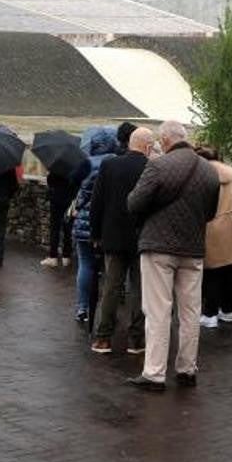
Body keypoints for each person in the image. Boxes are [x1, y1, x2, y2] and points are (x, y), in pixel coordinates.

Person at [125, 120, 220, 392]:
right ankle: (187, 369)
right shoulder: (209, 172)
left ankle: (154, 374)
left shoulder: (157, 166)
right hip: (193, 249)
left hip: (159, 247)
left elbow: (134, 203)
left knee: (158, 311)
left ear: (165, 141)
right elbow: (210, 214)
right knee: (191, 311)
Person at [89, 127, 154, 354]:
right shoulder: (152, 168)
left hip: (114, 236)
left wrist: (96, 234)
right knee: (139, 289)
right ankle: (136, 341)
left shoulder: (110, 165)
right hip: (143, 237)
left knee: (111, 287)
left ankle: (103, 338)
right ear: (148, 146)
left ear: (129, 144)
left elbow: (97, 202)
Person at [71, 128, 120, 322]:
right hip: (108, 223)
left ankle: (82, 307)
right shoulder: (116, 163)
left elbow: (73, 182)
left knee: (85, 264)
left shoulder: (86, 163)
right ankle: (107, 312)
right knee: (110, 268)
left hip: (85, 221)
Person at [197, 146, 232, 329]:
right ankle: (227, 311)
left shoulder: (202, 174)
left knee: (211, 272)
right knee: (229, 271)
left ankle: (209, 313)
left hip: (211, 225)